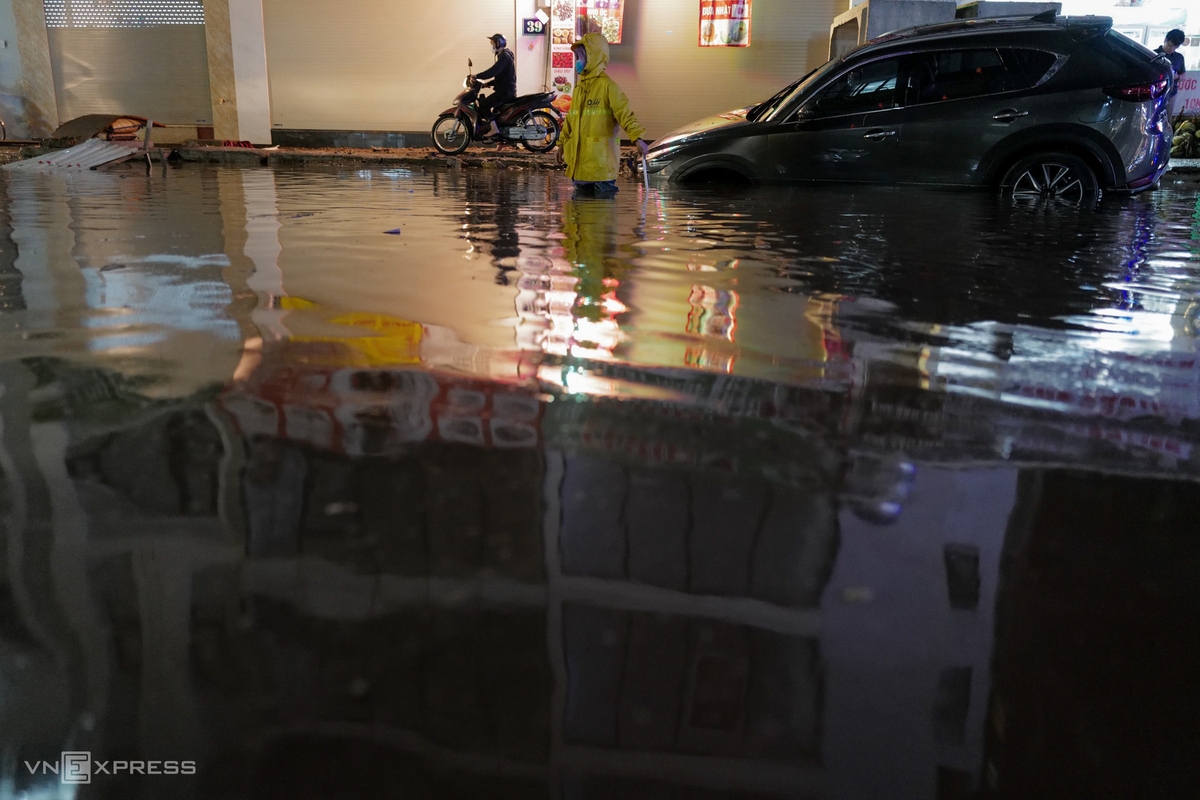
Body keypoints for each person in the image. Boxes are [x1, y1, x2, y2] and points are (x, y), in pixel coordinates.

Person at [558, 32, 650, 195]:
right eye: (577, 56)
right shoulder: (579, 88)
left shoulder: (608, 87)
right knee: (578, 218)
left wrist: (638, 138)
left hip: (601, 172)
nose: (578, 61)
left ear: (594, 56)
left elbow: (625, 114)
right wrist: (561, 145)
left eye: (581, 56)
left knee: (599, 218)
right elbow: (571, 120)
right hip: (579, 171)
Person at [476, 33, 516, 140]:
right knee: (497, 116)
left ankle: (494, 130)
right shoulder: (505, 56)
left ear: (498, 44)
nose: (491, 46)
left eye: (492, 43)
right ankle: (500, 140)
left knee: (484, 105)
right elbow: (502, 77)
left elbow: (494, 71)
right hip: (506, 90)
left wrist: (477, 76)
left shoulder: (504, 57)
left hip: (505, 92)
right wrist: (487, 84)